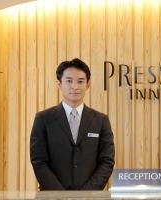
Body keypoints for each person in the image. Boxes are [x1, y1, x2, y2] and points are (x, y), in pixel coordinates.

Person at [30, 58, 115, 190]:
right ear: (59, 83)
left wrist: (85, 195)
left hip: (90, 198)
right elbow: (39, 161)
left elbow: (106, 161)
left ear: (88, 85)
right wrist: (61, 196)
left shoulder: (101, 120)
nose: (74, 86)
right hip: (52, 197)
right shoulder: (43, 119)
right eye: (69, 81)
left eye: (80, 81)